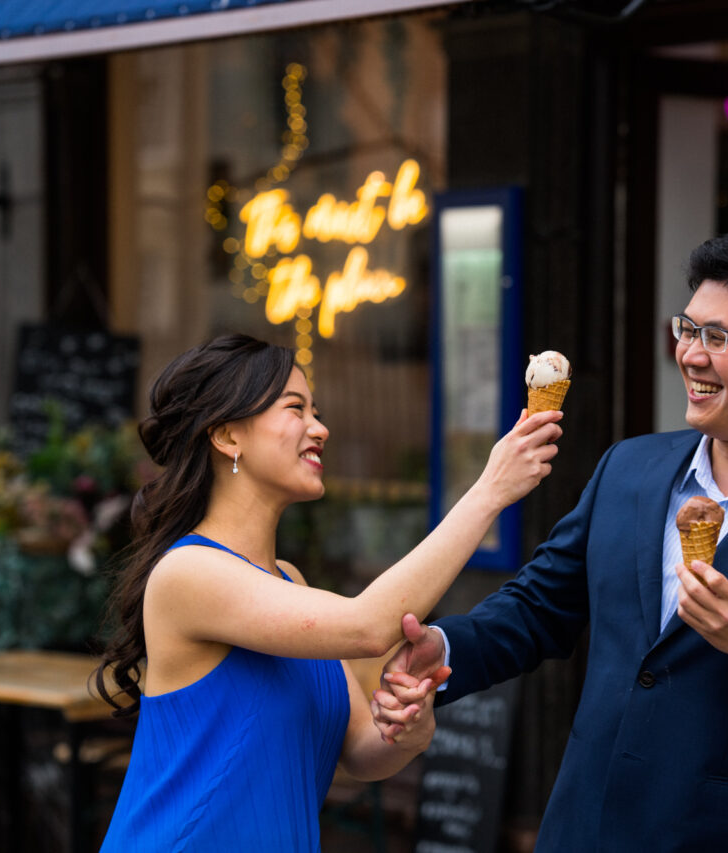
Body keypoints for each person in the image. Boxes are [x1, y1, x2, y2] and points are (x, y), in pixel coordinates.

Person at [373, 220, 728, 852]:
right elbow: (539, 609)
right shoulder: (630, 468)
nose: (691, 353)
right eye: (688, 328)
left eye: (720, 336)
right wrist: (445, 648)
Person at [93, 334, 562, 851]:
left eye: (316, 410)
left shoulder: (289, 581)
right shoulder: (188, 573)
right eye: (296, 409)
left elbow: (363, 751)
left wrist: (412, 727)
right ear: (227, 435)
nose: (321, 428)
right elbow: (368, 627)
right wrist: (489, 492)